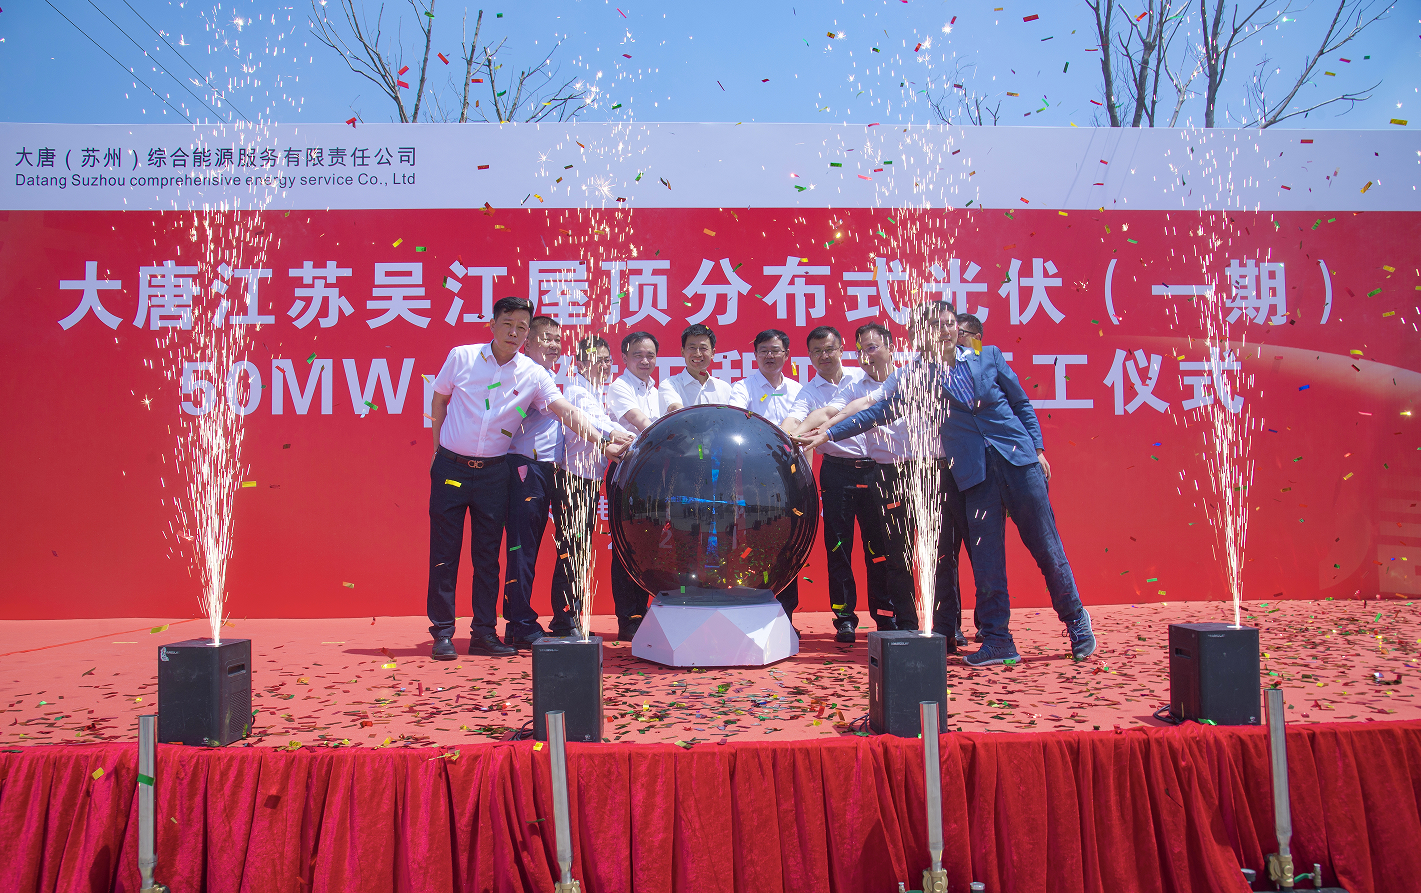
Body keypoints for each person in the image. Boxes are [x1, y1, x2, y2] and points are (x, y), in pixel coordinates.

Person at [797, 301, 1096, 666]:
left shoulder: (988, 357)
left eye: (950, 323)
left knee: (1046, 547)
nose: (945, 331)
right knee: (987, 561)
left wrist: (1037, 449)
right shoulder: (920, 377)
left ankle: (1076, 619)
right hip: (974, 475)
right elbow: (877, 413)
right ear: (924, 334)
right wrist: (828, 434)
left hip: (1019, 464)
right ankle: (999, 639)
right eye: (936, 325)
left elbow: (1021, 404)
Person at [427, 297, 628, 660]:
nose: (514, 332)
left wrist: (603, 441)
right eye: (508, 324)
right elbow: (440, 401)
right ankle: (443, 632)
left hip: (496, 472)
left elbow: (566, 412)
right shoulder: (462, 357)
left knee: (488, 556)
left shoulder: (534, 375)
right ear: (492, 324)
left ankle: (484, 633)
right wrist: (438, 449)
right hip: (460, 467)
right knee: (446, 553)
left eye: (521, 327)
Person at [816, 323, 970, 646]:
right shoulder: (860, 386)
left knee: (941, 554)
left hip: (929, 472)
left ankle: (948, 626)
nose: (866, 356)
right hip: (887, 475)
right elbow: (846, 410)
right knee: (896, 556)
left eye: (872, 347)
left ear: (891, 348)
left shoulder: (911, 376)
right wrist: (821, 432)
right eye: (860, 350)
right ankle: (906, 626)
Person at [781, 326, 881, 644]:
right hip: (837, 473)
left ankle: (886, 617)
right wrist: (783, 435)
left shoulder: (860, 378)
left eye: (829, 349)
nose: (824, 356)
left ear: (842, 349)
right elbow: (796, 420)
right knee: (839, 549)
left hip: (876, 470)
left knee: (880, 549)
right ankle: (845, 619)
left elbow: (837, 412)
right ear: (809, 356)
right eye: (816, 351)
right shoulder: (808, 392)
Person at [549, 335, 631, 636]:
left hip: (587, 481)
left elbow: (608, 421)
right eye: (598, 360)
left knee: (580, 549)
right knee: (572, 549)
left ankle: (569, 617)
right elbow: (597, 423)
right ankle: (565, 619)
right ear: (581, 364)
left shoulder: (597, 392)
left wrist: (628, 436)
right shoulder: (576, 391)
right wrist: (622, 437)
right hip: (572, 480)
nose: (605, 366)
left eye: (608, 360)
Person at [729, 329, 805, 623]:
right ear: (755, 355)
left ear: (787, 355)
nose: (769, 356)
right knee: (754, 542)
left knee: (788, 543)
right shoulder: (743, 388)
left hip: (789, 477)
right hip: (754, 479)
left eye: (775, 350)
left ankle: (785, 616)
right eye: (763, 351)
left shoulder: (798, 390)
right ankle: (753, 612)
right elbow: (737, 420)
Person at [604, 331, 662, 640]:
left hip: (655, 476)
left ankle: (646, 613)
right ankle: (628, 618)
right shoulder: (619, 387)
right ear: (625, 357)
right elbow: (643, 424)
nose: (644, 360)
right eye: (638, 355)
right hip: (627, 473)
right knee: (626, 546)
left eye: (650, 355)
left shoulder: (656, 390)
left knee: (650, 545)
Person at [659, 323, 735, 412]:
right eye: (692, 347)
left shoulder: (724, 388)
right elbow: (675, 408)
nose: (698, 354)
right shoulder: (670, 385)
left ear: (713, 353)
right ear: (683, 352)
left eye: (703, 348)